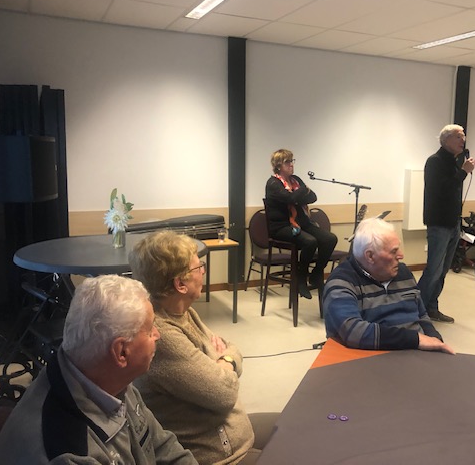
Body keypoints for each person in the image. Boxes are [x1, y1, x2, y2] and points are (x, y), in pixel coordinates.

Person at [0, 275, 197, 465]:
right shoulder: (68, 452)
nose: (158, 335)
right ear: (122, 352)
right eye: (150, 329)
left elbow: (163, 447)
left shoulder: (107, 379)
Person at [129, 231, 276, 465]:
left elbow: (230, 348)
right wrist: (224, 361)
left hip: (233, 434)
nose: (203, 273)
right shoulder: (163, 337)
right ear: (180, 284)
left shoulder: (183, 313)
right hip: (220, 456)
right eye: (199, 268)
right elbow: (223, 392)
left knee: (298, 424)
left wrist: (223, 360)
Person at [323, 217, 455, 353]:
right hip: (371, 356)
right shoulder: (342, 282)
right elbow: (354, 332)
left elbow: (421, 315)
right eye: (393, 251)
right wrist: (416, 340)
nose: (401, 255)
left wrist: (434, 339)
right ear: (370, 256)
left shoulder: (403, 273)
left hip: (413, 352)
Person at [417, 124, 475, 324]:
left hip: (453, 223)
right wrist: (464, 172)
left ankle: (432, 308)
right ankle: (416, 310)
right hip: (439, 223)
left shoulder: (453, 162)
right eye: (458, 136)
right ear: (446, 140)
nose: (463, 140)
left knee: (442, 270)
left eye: (463, 136)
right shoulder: (435, 161)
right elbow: (444, 189)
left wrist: (462, 170)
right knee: (433, 269)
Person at [264, 149, 338, 299]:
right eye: (287, 162)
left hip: (302, 223)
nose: (291, 164)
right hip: (282, 226)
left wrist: (297, 195)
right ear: (278, 165)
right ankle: (301, 278)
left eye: (292, 161)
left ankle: (317, 272)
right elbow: (290, 199)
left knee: (330, 239)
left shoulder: (295, 180)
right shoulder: (273, 183)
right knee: (310, 242)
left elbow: (313, 197)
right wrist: (302, 191)